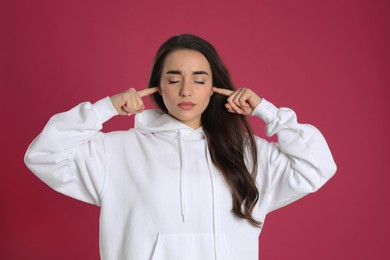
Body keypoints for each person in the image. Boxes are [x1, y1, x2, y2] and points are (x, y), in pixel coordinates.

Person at [24, 34, 337, 260]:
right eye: (174, 80)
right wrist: (105, 108)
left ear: (215, 88)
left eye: (199, 80)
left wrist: (265, 111)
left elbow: (318, 166)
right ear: (157, 87)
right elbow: (44, 154)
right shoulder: (117, 151)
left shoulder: (247, 153)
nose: (186, 90)